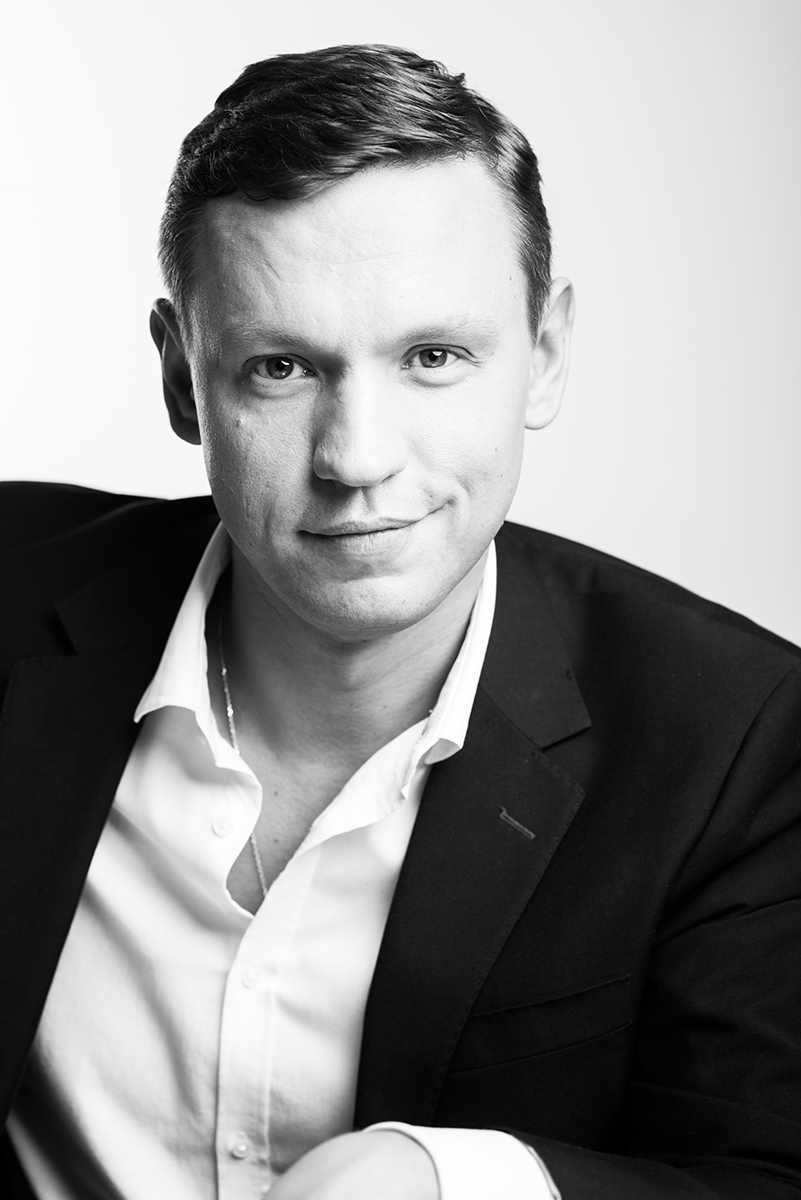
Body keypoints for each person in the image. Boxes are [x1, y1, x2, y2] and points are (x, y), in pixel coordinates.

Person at [0, 42, 799, 1200]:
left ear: (545, 356)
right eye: (281, 368)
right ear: (181, 376)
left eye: (433, 356)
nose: (357, 458)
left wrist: (454, 1182)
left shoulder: (738, 737)